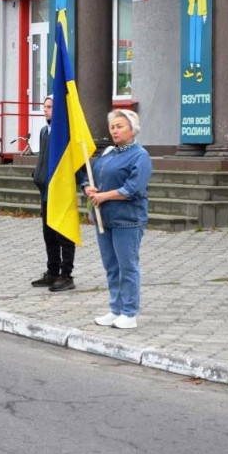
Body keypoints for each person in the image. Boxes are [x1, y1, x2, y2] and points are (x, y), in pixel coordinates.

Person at [85, 110, 152, 329]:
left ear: (133, 130)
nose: (115, 130)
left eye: (120, 126)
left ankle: (129, 312)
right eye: (112, 126)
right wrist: (89, 187)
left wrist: (104, 195)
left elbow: (133, 188)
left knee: (127, 266)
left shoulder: (140, 155)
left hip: (128, 219)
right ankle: (115, 309)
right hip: (104, 218)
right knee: (112, 266)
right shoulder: (108, 153)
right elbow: (91, 175)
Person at [31, 95, 77, 292]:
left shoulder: (65, 133)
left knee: (63, 234)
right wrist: (37, 175)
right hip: (45, 191)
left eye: (50, 107)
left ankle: (66, 275)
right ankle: (52, 271)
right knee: (48, 234)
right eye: (44, 106)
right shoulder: (44, 131)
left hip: (61, 191)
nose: (45, 110)